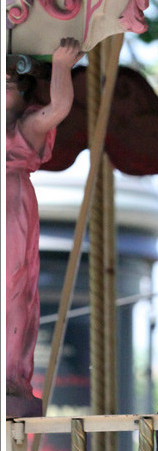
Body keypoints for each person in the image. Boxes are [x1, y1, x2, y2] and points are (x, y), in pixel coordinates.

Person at [6, 37, 83, 417]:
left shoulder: (26, 127)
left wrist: (61, 66)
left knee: (11, 286)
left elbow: (59, 107)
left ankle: (10, 372)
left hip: (11, 203)